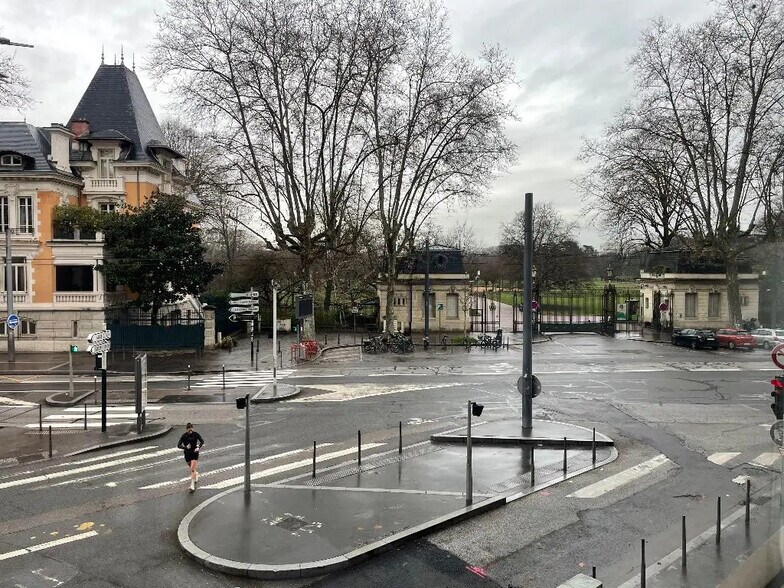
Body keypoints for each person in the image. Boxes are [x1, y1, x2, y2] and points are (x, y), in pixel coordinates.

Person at [177, 423, 204, 492]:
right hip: (187, 454)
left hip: (194, 453)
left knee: (192, 469)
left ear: (192, 428)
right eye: (189, 430)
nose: (190, 431)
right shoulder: (184, 436)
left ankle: (192, 485)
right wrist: (185, 447)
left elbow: (202, 441)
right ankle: (196, 474)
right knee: (191, 468)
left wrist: (198, 447)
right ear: (186, 430)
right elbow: (178, 445)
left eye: (191, 429)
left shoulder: (195, 434)